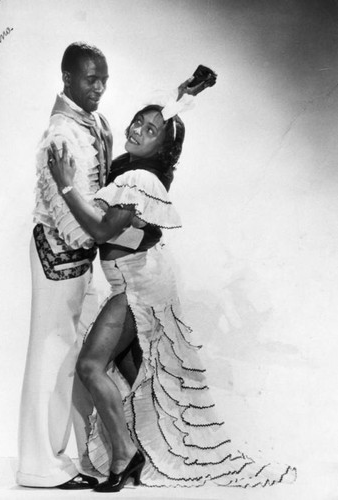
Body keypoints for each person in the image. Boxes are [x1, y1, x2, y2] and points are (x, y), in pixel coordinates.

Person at [47, 100, 297, 492]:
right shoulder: (133, 172)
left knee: (91, 366)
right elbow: (137, 233)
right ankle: (142, 449)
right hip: (139, 276)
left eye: (150, 131)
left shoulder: (141, 179)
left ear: (162, 149)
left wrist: (64, 183)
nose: (137, 130)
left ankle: (124, 455)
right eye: (138, 122)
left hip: (135, 285)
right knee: (138, 374)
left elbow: (99, 230)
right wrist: (183, 93)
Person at [16, 42, 113, 490]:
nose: (99, 88)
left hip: (73, 257)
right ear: (68, 78)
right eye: (91, 79)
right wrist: (99, 235)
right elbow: (67, 216)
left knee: (66, 355)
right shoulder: (61, 132)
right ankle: (38, 466)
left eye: (104, 80)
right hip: (59, 253)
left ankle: (53, 460)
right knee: (51, 354)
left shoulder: (89, 123)